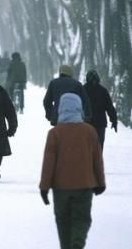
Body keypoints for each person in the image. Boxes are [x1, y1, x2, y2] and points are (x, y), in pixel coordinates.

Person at [39, 93, 106, 249]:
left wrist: (44, 187)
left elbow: (49, 162)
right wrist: (100, 182)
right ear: (79, 108)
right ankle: (77, 243)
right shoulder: (89, 131)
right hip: (84, 185)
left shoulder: (55, 133)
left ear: (60, 109)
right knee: (81, 219)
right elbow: (97, 159)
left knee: (63, 220)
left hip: (60, 187)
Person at [83, 69, 117, 149]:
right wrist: (114, 120)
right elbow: (110, 107)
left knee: (86, 149)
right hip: (100, 124)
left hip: (86, 123)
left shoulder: (83, 89)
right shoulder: (103, 91)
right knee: (98, 148)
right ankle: (97, 161)